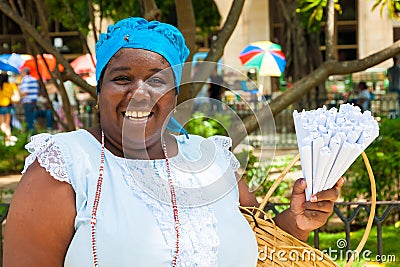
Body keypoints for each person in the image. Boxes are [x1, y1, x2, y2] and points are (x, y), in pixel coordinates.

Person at [4, 17, 343, 266]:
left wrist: (297, 221)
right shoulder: (66, 164)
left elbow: (264, 242)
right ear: (98, 92)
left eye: (157, 81)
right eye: (122, 78)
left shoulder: (212, 159)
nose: (139, 93)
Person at [0, 72, 20, 145]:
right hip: (8, 106)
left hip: (1, 106)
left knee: (2, 123)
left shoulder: (1, 86)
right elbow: (17, 97)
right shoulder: (11, 85)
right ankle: (7, 139)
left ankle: (3, 138)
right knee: (7, 123)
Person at [18, 67, 39, 132]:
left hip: (27, 102)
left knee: (29, 119)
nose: (20, 74)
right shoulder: (34, 79)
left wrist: (18, 95)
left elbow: (25, 92)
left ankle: (31, 134)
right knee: (32, 119)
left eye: (21, 73)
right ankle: (33, 133)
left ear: (24, 73)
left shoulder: (25, 80)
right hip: (34, 101)